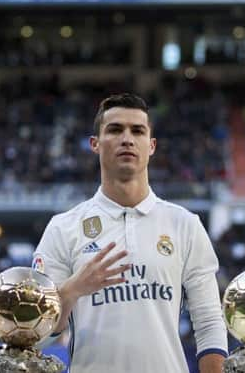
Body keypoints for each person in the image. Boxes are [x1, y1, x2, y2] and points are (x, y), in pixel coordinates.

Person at [33, 93, 227, 372]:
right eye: (115, 129)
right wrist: (72, 290)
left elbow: (209, 321)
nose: (127, 138)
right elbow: (36, 338)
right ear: (95, 144)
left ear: (151, 146)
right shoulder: (63, 227)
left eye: (137, 131)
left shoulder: (184, 224)